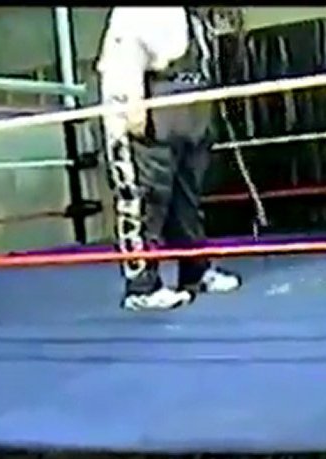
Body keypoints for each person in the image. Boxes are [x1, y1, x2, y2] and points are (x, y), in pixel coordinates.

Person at [97, 7, 241, 311]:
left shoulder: (191, 15)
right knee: (146, 200)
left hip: (190, 113)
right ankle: (142, 286)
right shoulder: (136, 12)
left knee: (186, 201)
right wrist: (130, 106)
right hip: (153, 112)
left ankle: (196, 271)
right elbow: (124, 53)